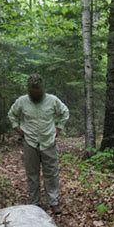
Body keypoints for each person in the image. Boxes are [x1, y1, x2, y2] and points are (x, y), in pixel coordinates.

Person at [8, 74, 69, 214]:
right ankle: (34, 202)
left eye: (38, 89)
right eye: (33, 90)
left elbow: (65, 112)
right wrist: (18, 129)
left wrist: (58, 128)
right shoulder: (22, 101)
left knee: (51, 173)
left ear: (42, 88)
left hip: (48, 141)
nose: (35, 92)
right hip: (30, 142)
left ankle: (53, 201)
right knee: (32, 174)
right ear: (29, 89)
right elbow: (11, 115)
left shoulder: (52, 100)